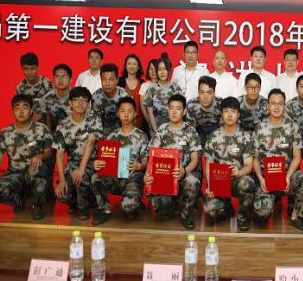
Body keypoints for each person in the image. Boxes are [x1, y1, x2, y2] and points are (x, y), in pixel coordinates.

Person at [253, 89, 303, 232]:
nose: (276, 107)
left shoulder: (292, 127)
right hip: (266, 177)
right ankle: (268, 203)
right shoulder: (260, 128)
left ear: (284, 106)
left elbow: (297, 156)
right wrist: (260, 178)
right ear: (267, 106)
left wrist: (288, 176)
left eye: (280, 104)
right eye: (273, 103)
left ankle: (295, 216)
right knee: (262, 213)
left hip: (287, 175)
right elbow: (255, 158)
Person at [0, 95, 53, 220]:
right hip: (15, 173)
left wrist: (40, 156)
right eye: (17, 108)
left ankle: (38, 205)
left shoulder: (41, 129)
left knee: (36, 172)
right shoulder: (5, 133)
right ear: (12, 111)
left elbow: (50, 152)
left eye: (25, 107)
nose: (21, 111)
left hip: (34, 171)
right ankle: (19, 199)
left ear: (31, 111)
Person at [144, 95, 202, 230]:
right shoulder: (161, 130)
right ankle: (171, 204)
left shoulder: (190, 132)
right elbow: (152, 156)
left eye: (178, 108)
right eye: (171, 108)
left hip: (184, 174)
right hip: (165, 176)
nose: (174, 112)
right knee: (159, 206)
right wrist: (147, 173)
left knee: (192, 181)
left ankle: (185, 214)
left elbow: (195, 159)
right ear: (168, 110)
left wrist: (184, 171)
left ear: (184, 111)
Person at [91, 97, 149, 225]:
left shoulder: (142, 136)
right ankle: (105, 211)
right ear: (118, 113)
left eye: (129, 111)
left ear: (135, 114)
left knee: (129, 208)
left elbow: (146, 162)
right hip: (115, 179)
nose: (126, 115)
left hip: (132, 179)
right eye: (123, 111)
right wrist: (97, 164)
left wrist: (139, 166)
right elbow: (104, 159)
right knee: (96, 178)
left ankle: (133, 201)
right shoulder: (112, 136)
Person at [203, 97, 256, 231]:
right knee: (212, 210)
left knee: (248, 183)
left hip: (236, 180)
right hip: (219, 182)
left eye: (233, 111)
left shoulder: (245, 137)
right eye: (226, 111)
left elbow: (249, 166)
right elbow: (209, 165)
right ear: (221, 114)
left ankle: (243, 216)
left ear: (238, 114)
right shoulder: (213, 137)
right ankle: (225, 207)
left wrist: (240, 172)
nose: (230, 115)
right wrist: (210, 185)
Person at [53, 87, 103, 220]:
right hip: (72, 164)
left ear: (88, 104)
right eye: (76, 100)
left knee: (81, 179)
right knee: (62, 194)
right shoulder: (63, 126)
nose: (80, 103)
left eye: (84, 100)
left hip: (92, 163)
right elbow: (59, 153)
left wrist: (81, 169)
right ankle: (81, 200)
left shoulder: (94, 119)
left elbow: (90, 143)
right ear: (70, 103)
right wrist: (62, 179)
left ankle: (83, 208)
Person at [143, 58, 182, 136]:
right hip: (155, 129)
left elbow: (179, 111)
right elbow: (150, 112)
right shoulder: (152, 88)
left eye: (165, 69)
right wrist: (156, 130)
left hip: (173, 130)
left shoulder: (176, 88)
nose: (162, 72)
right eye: (159, 69)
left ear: (169, 70)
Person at [91, 64, 131, 137]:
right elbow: (96, 123)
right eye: (104, 79)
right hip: (103, 134)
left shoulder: (125, 95)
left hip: (122, 133)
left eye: (111, 79)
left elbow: (130, 121)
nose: (107, 83)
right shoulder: (96, 97)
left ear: (117, 80)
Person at [33, 64, 73, 131]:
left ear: (70, 79)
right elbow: (34, 121)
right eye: (57, 76)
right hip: (55, 135)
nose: (60, 80)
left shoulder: (77, 97)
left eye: (64, 76)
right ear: (53, 79)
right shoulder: (47, 98)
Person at [186, 76, 223, 147]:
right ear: (198, 92)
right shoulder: (192, 105)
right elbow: (192, 130)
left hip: (217, 132)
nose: (205, 97)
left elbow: (223, 129)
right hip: (199, 132)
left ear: (214, 93)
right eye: (202, 92)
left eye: (209, 93)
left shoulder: (221, 104)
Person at [16, 53, 54, 121]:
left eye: (32, 68)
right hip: (28, 125)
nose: (29, 72)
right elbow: (19, 110)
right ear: (22, 69)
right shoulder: (20, 88)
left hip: (46, 124)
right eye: (26, 69)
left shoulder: (47, 84)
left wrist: (49, 127)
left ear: (38, 67)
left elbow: (50, 109)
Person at [118, 54, 145, 130]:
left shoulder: (143, 83)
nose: (131, 66)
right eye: (129, 64)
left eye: (134, 64)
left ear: (138, 66)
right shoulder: (119, 82)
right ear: (126, 66)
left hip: (140, 121)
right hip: (123, 120)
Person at [139, 59, 159, 137]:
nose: (153, 71)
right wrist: (149, 120)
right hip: (148, 119)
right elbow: (142, 106)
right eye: (150, 68)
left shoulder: (162, 84)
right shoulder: (144, 85)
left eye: (155, 68)